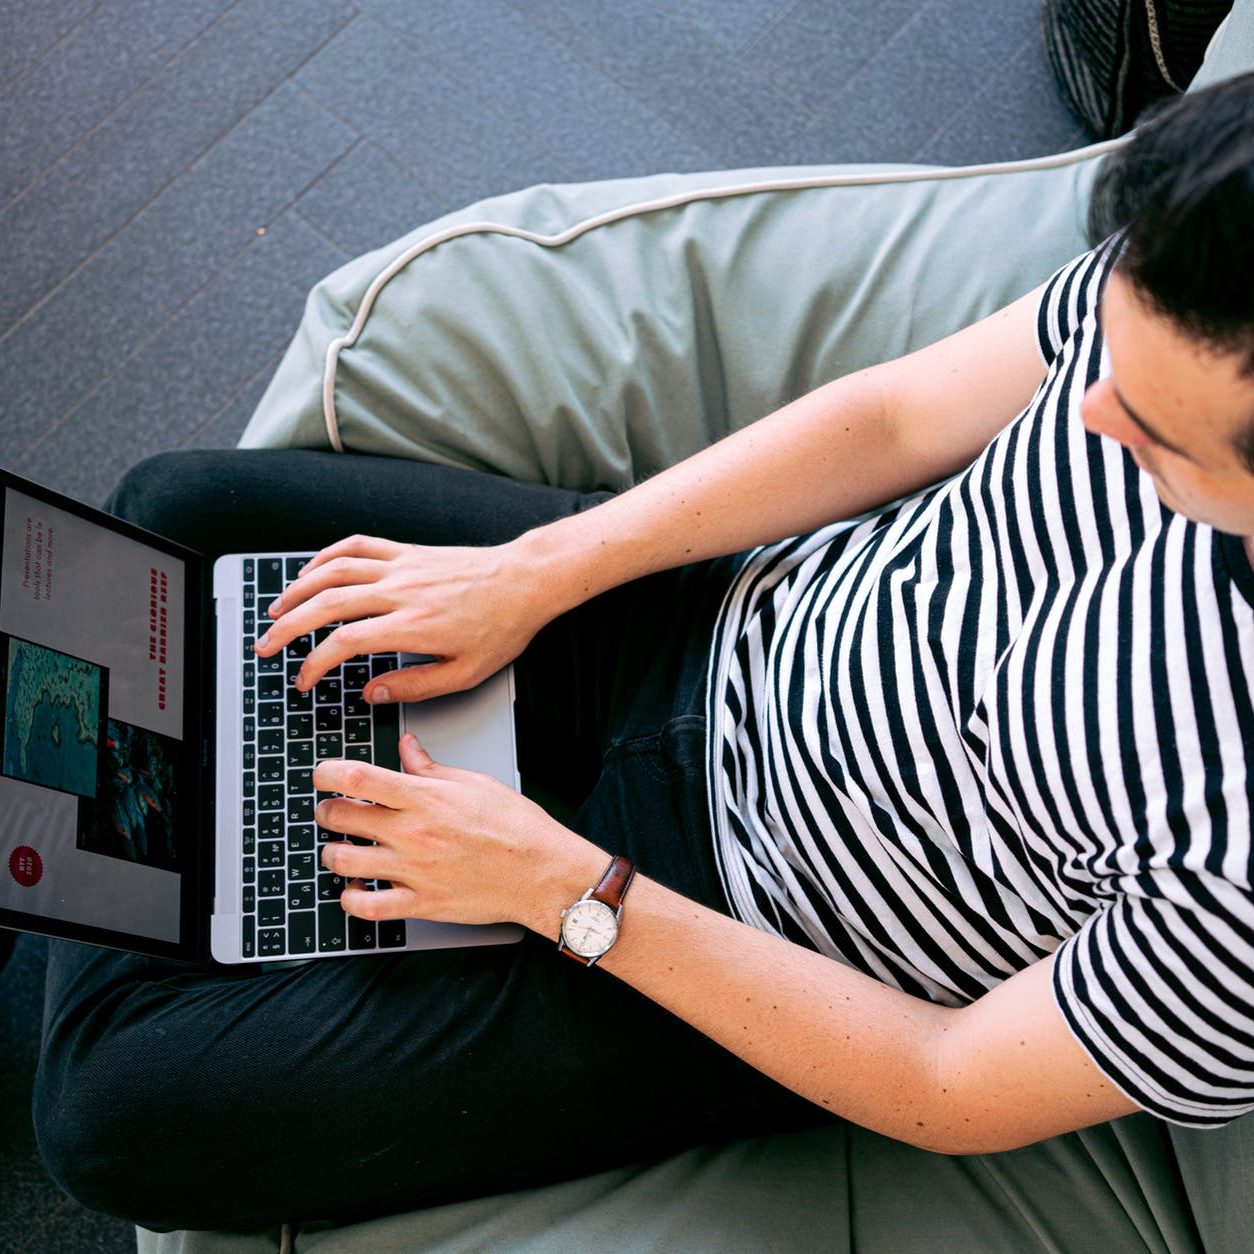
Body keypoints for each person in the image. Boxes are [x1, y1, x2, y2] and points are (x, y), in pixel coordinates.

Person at [33, 73, 1254, 1236]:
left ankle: (104, 857)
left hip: (740, 921)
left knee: (107, 1115)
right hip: (717, 615)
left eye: (1149, 433)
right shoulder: (1212, 250)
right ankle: (147, 853)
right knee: (181, 514)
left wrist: (560, 889)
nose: (1090, 412)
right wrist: (533, 574)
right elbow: (896, 416)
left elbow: (942, 1083)